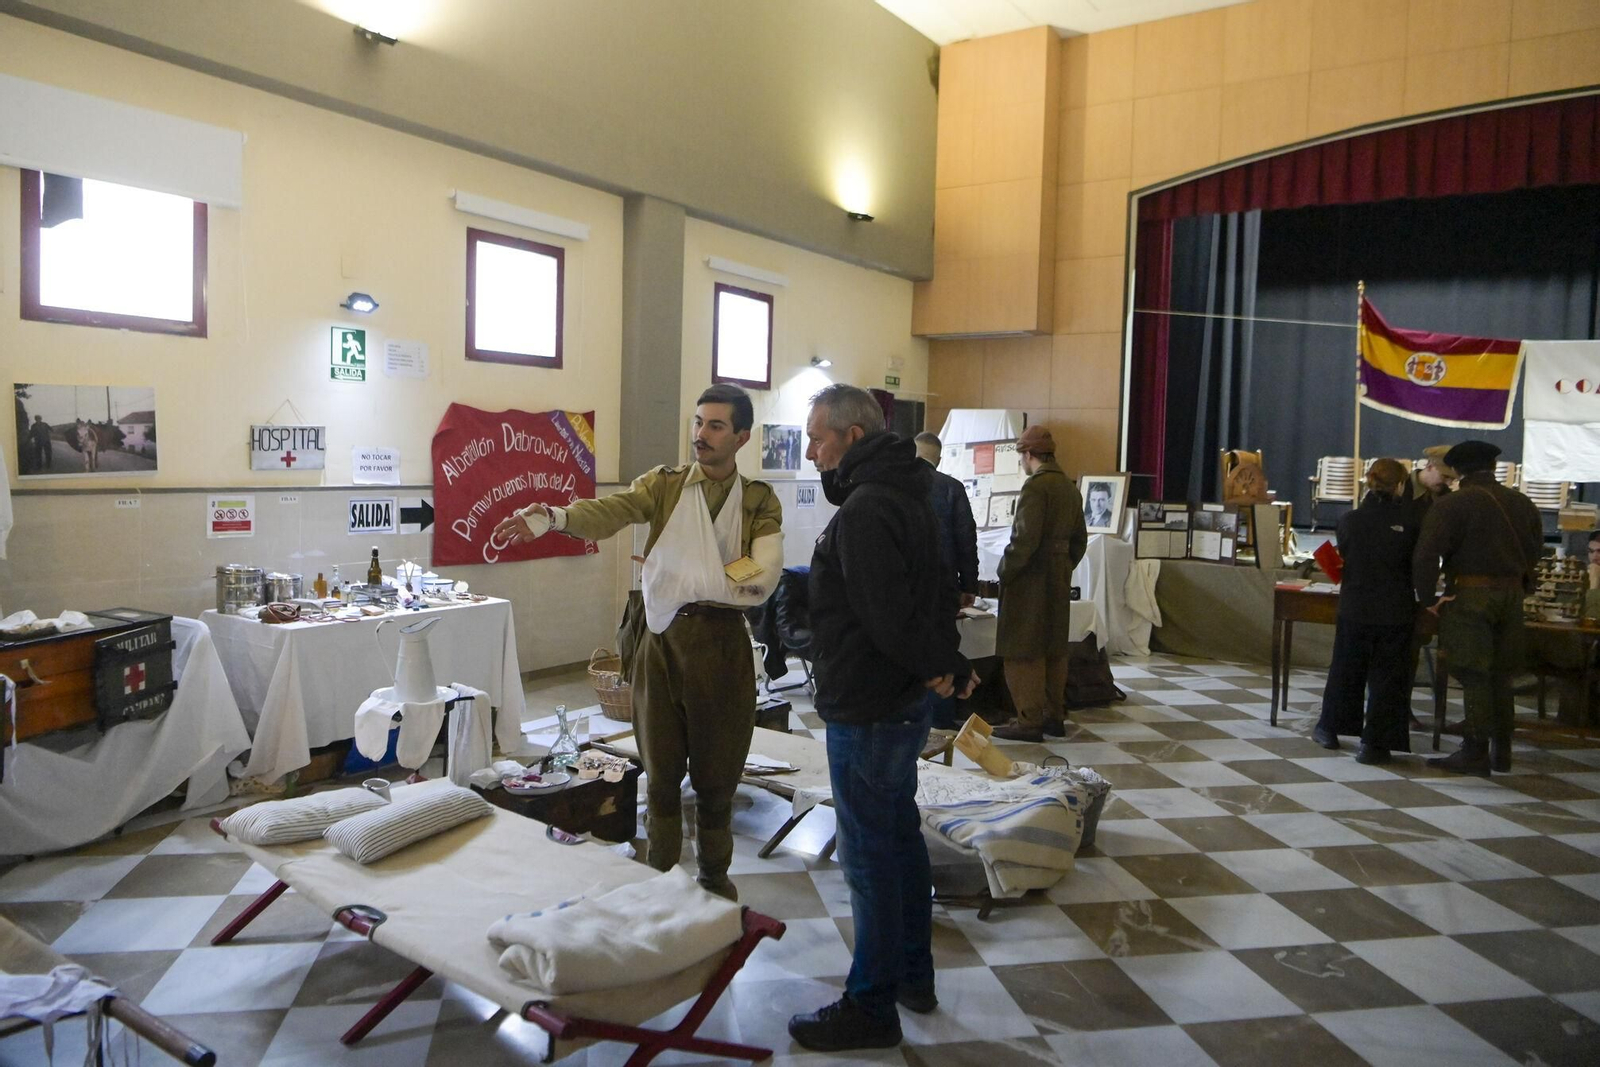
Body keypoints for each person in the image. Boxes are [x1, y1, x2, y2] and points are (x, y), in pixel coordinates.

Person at [492, 383, 782, 898]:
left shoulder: (757, 498)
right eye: (698, 422)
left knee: (719, 777)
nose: (701, 435)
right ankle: (663, 878)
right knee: (661, 769)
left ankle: (714, 879)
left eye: (715, 426)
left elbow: (761, 574)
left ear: (741, 436)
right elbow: (614, 511)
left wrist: (709, 575)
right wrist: (553, 518)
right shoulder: (666, 486)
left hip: (721, 648)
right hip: (662, 641)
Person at [787, 385, 974, 1053]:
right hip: (894, 700)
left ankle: (870, 1002)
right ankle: (911, 977)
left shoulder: (868, 507)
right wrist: (943, 662)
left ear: (855, 438)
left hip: (869, 706)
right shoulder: (909, 493)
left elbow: (886, 613)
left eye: (818, 437)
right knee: (898, 839)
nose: (810, 450)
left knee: (869, 856)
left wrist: (940, 662)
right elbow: (924, 595)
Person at [1413, 440, 1543, 775]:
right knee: (1502, 673)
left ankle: (1474, 750)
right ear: (1494, 467)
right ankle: (1503, 752)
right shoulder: (1523, 503)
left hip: (1471, 597)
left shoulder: (1453, 505)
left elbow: (1427, 555)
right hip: (1512, 597)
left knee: (1473, 673)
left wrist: (1428, 599)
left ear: (1456, 470)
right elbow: (1535, 552)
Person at [1312, 459, 1419, 764]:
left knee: (1345, 669)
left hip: (1355, 606)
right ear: (1400, 485)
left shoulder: (1349, 520)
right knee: (1388, 677)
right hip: (1394, 610)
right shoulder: (1410, 524)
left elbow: (1343, 556)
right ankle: (1375, 744)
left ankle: (1329, 728)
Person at [991, 425, 1087, 742]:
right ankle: (1053, 716)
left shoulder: (1036, 487)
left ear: (1028, 454)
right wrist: (1063, 567)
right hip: (1058, 576)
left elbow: (1023, 539)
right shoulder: (1069, 488)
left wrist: (1005, 571)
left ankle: (1029, 720)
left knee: (1023, 650)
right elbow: (1079, 542)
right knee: (1054, 648)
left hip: (1029, 578)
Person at [913, 431, 979, 729]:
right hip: (944, 588)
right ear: (938, 459)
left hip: (908, 587)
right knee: (943, 649)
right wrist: (969, 586)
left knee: (914, 647)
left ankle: (913, 720)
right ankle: (941, 722)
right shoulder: (951, 488)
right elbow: (966, 541)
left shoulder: (898, 486)